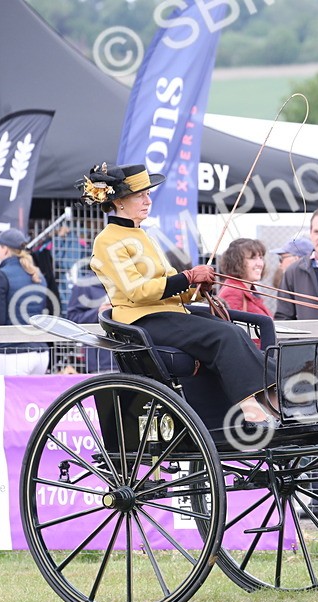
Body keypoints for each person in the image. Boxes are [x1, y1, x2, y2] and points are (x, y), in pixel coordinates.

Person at [81, 162, 275, 429]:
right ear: (120, 202)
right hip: (143, 321)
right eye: (141, 195)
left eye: (148, 194)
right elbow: (136, 292)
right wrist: (187, 277)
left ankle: (269, 394)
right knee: (225, 335)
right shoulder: (108, 240)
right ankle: (252, 408)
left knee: (234, 330)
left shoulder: (144, 236)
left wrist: (195, 288)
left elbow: (172, 285)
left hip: (168, 314)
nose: (148, 200)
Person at [0, 228, 51, 376]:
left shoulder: (0, 275)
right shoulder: (37, 274)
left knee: (13, 399)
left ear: (5, 250)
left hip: (15, 353)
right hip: (41, 352)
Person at [64, 259, 115, 373]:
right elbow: (72, 319)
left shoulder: (127, 285)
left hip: (127, 358)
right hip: (99, 362)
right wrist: (99, 312)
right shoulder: (83, 286)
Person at [218, 238, 273, 318]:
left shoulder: (249, 290)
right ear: (237, 261)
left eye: (261, 258)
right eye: (253, 258)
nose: (260, 264)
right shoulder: (233, 292)